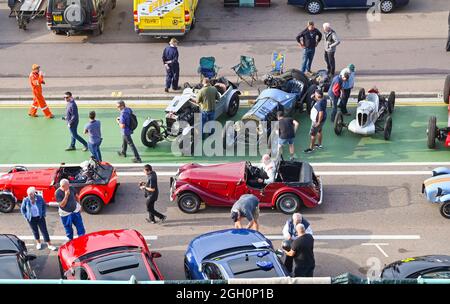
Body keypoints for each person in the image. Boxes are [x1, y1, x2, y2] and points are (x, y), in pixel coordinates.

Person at [20, 187, 57, 251]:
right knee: (35, 231)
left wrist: (43, 213)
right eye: (28, 194)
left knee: (44, 231)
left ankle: (49, 244)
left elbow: (44, 205)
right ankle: (38, 243)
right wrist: (26, 217)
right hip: (31, 218)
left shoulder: (39, 198)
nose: (29, 195)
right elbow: (22, 210)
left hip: (40, 217)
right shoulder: (26, 200)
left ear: (34, 193)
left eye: (31, 194)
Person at [305, 89, 327, 153]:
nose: (314, 94)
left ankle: (311, 149)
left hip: (317, 121)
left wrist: (318, 122)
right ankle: (319, 145)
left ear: (318, 96)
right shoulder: (324, 99)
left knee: (313, 135)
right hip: (323, 119)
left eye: (315, 94)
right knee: (319, 131)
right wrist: (314, 98)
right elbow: (318, 100)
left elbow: (321, 113)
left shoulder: (319, 104)